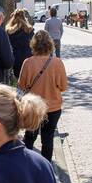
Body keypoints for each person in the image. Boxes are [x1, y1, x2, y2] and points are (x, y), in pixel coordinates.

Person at [18, 30, 68, 161]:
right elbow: (63, 87)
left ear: (33, 45)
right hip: (53, 107)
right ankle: (46, 168)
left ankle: (27, 165)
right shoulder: (57, 63)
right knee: (48, 138)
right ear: (50, 44)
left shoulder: (28, 62)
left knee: (29, 137)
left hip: (32, 107)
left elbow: (22, 85)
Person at [5, 9, 34, 80]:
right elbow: (34, 44)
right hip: (28, 57)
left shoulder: (9, 31)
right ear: (24, 17)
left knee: (18, 79)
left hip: (16, 57)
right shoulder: (30, 29)